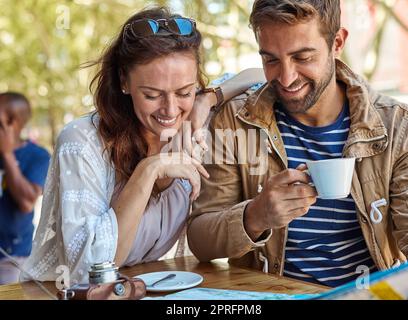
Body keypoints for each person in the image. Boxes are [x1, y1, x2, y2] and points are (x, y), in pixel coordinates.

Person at [188, 0, 408, 295]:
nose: (286, 78)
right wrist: (255, 216)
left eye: (302, 57)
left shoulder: (398, 125)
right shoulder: (236, 122)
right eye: (271, 60)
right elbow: (199, 240)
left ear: (337, 42)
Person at [22, 6, 264, 285]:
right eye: (152, 95)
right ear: (124, 81)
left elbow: (264, 74)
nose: (170, 109)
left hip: (142, 287)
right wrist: (149, 170)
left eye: (184, 91)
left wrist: (206, 98)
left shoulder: (193, 125)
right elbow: (93, 271)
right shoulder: (82, 142)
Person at [0, 92, 50, 284]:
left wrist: (7, 153)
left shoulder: (37, 156)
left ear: (11, 121)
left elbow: (26, 202)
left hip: (12, 260)